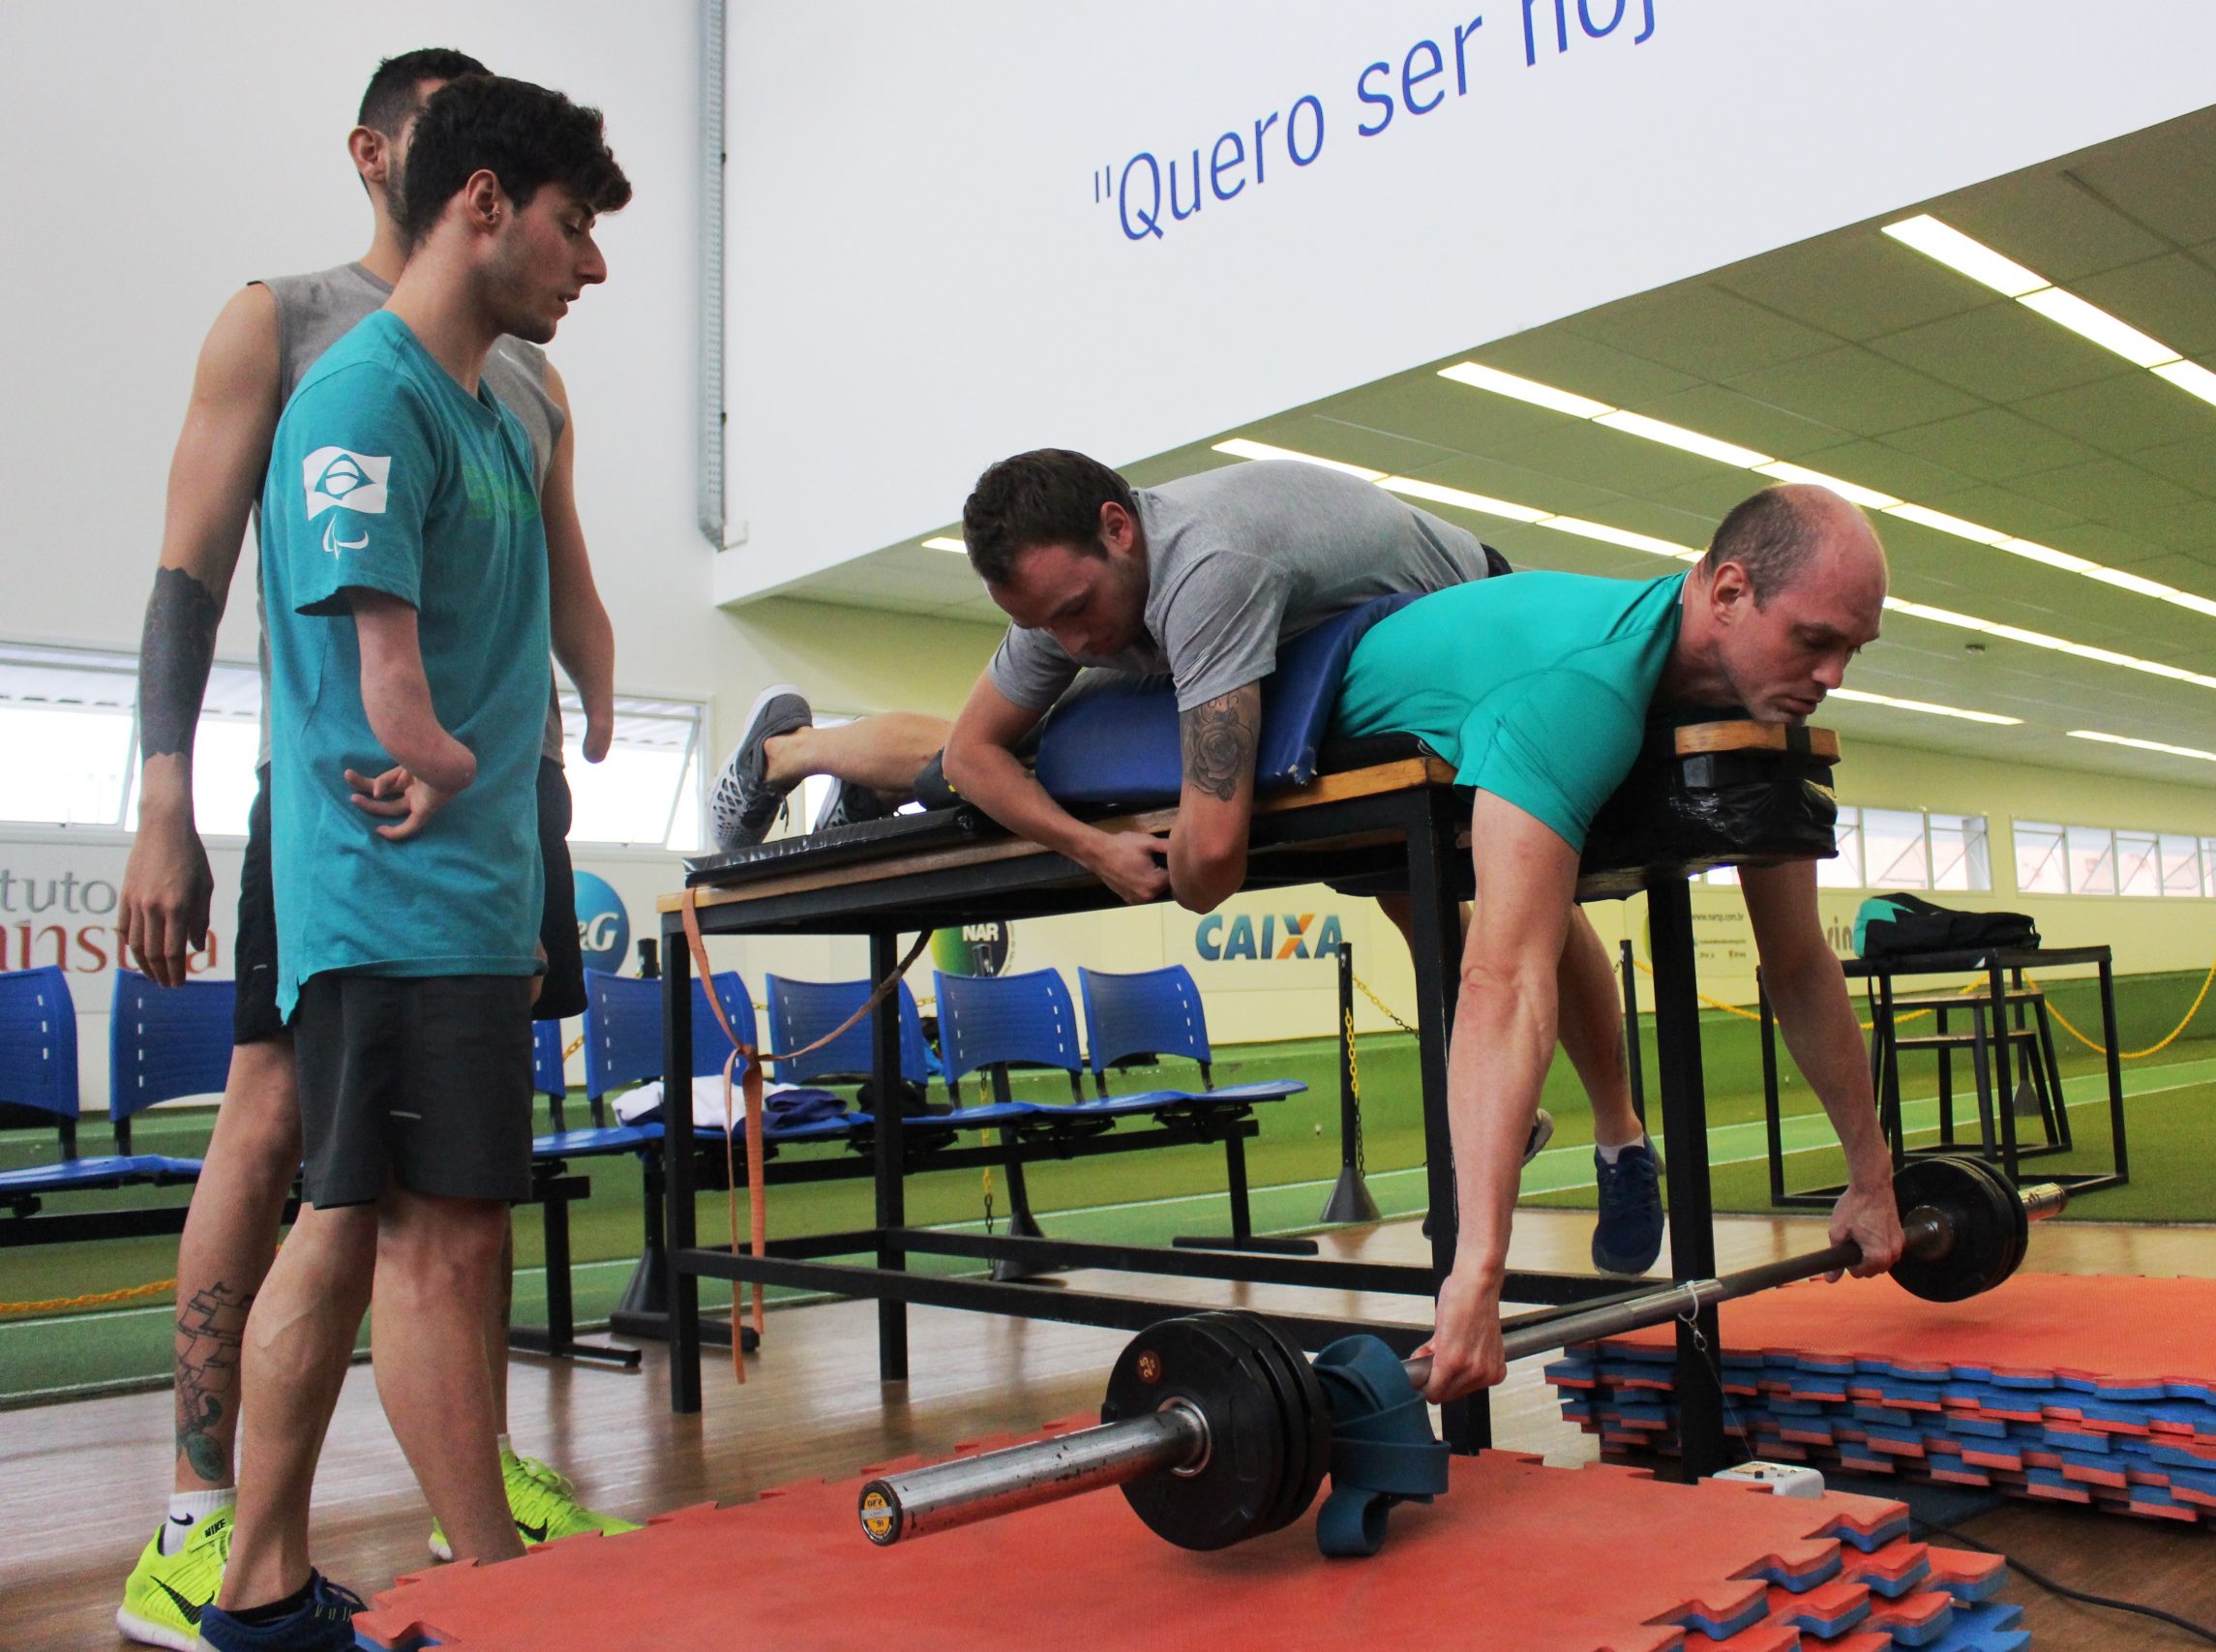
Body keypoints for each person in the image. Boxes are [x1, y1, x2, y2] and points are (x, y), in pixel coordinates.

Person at [115, 52, 634, 1650]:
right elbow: (287, 601)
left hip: (469, 867)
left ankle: (269, 1577)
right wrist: (180, 795)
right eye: (570, 226)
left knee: (368, 1220)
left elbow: (546, 591)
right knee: (396, 1221)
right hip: (379, 866)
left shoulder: (500, 392)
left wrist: (581, 712)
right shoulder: (329, 355)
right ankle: (386, 1566)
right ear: (469, 194)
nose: (594, 263)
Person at [710, 450, 1664, 1275]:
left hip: (1446, 630)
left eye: (1080, 608)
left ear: (1119, 530)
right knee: (1031, 761)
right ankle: (788, 754)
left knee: (1518, 895)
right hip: (1302, 661)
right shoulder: (1068, 604)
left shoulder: (1210, 569)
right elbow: (970, 755)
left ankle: (1620, 1137)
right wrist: (1090, 843)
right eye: (1050, 626)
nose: (1076, 643)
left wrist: (1163, 849)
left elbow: (1208, 864)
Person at [1318, 483, 1908, 1403]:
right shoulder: (1580, 690)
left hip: (1502, 706)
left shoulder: (1752, 702)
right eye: (1814, 640)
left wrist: (1873, 1177)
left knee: (1545, 909)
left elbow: (1798, 962)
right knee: (1506, 925)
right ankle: (1547, 1133)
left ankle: (1614, 1133)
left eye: (1851, 649)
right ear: (1727, 593)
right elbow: (1502, 981)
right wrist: (1476, 1276)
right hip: (1342, 724)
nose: (1835, 674)